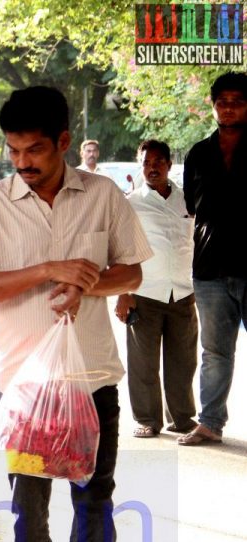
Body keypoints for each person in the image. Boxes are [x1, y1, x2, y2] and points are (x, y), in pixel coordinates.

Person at [0, 86, 152, 542]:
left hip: (93, 381)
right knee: (28, 513)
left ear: (63, 141)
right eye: (14, 151)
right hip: (24, 388)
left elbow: (129, 272)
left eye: (34, 150)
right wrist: (45, 269)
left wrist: (88, 282)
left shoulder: (103, 194)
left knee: (94, 503)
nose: (23, 162)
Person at [179, 71, 247, 446]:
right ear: (213, 105)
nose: (229, 107)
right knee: (215, 352)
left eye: (237, 101)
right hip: (210, 269)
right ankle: (209, 423)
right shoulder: (199, 154)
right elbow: (192, 204)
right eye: (222, 101)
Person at [115, 140, 198, 438]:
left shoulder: (187, 200)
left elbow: (195, 242)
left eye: (159, 161)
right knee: (144, 364)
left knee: (184, 362)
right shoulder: (131, 203)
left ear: (169, 164)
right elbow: (121, 249)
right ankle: (148, 420)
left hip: (183, 292)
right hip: (144, 293)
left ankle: (183, 419)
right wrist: (123, 293)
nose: (153, 167)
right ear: (141, 165)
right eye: (147, 162)